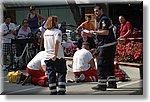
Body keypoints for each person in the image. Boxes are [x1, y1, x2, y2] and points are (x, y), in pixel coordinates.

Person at [89, 6, 117, 91]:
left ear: (101, 10)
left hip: (106, 45)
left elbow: (105, 32)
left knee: (101, 64)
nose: (96, 13)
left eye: (97, 11)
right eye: (95, 11)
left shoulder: (104, 19)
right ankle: (112, 82)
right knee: (109, 64)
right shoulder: (103, 19)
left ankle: (102, 84)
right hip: (109, 45)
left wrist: (94, 32)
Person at [43, 16, 67, 95]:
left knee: (51, 74)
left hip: (47, 56)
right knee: (61, 73)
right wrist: (55, 54)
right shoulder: (58, 32)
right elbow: (56, 43)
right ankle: (61, 91)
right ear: (55, 22)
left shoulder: (46, 32)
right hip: (57, 56)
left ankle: (52, 91)